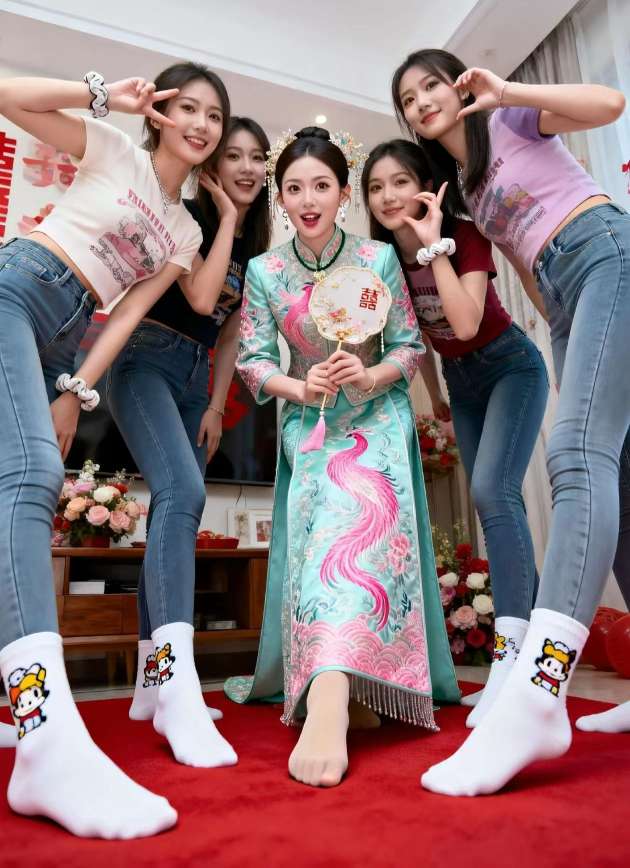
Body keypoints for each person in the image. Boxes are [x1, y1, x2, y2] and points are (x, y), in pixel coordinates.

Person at [0, 61, 235, 837]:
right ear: (160, 111)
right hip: (20, 286)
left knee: (17, 490)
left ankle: (30, 717)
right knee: (31, 476)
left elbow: (129, 313)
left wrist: (77, 389)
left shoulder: (187, 230)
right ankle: (45, 736)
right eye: (187, 107)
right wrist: (101, 95)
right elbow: (8, 95)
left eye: (214, 115)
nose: (200, 124)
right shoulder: (114, 149)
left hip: (67, 334)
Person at [391, 47, 628, 795]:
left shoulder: (509, 120)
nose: (422, 102)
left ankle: (539, 694)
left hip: (605, 253)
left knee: (576, 455)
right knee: (617, 475)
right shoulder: (465, 186)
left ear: (458, 86)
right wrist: (560, 334)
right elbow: (523, 261)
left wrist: (509, 91)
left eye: (431, 85)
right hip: (566, 294)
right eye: (408, 98)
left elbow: (609, 106)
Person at [224, 126, 460, 788]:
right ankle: (334, 686)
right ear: (279, 197)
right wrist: (301, 387)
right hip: (310, 426)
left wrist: (371, 375)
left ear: (342, 193)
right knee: (325, 544)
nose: (308, 200)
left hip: (377, 421)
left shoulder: (377, 259)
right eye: (294, 188)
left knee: (366, 536)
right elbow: (252, 362)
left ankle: (343, 688)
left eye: (321, 186)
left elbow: (408, 347)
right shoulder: (266, 272)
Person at [363, 139, 548, 727]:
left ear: (427, 187)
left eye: (400, 181)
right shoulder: (383, 262)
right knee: (493, 501)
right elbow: (415, 336)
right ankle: (527, 656)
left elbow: (465, 322)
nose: (388, 196)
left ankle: (512, 662)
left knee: (495, 493)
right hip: (461, 384)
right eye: (376, 187)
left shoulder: (463, 236)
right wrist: (438, 398)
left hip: (511, 367)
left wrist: (432, 245)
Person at [110, 117, 271, 759]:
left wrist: (215, 404)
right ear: (212, 167)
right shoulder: (191, 217)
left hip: (193, 377)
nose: (247, 167)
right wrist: (227, 216)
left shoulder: (254, 248)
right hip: (144, 358)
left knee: (169, 512)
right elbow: (201, 301)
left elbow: (228, 333)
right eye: (234, 155)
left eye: (257, 157)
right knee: (183, 494)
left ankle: (150, 686)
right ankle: (176, 681)